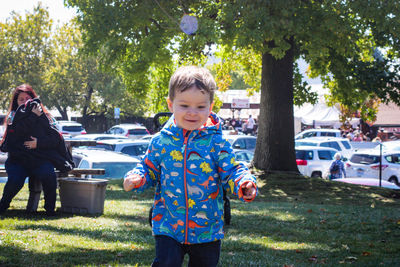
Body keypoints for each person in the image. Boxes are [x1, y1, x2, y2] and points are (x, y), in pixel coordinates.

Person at [124, 66, 257, 267]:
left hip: (207, 228)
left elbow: (232, 169)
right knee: (165, 263)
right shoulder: (161, 142)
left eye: (200, 107)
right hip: (168, 224)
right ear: (171, 105)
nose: (192, 113)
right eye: (184, 105)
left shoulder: (216, 142)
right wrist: (137, 177)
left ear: (210, 107)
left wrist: (243, 183)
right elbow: (148, 167)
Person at [0, 84, 61, 216]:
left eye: (28, 98)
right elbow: (14, 136)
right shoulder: (12, 116)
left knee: (49, 175)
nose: (25, 102)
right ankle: (3, 205)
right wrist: (33, 117)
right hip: (18, 160)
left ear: (33, 99)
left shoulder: (47, 116)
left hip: (39, 159)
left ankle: (50, 210)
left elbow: (56, 139)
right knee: (15, 180)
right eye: (21, 99)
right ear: (16, 102)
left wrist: (38, 143)